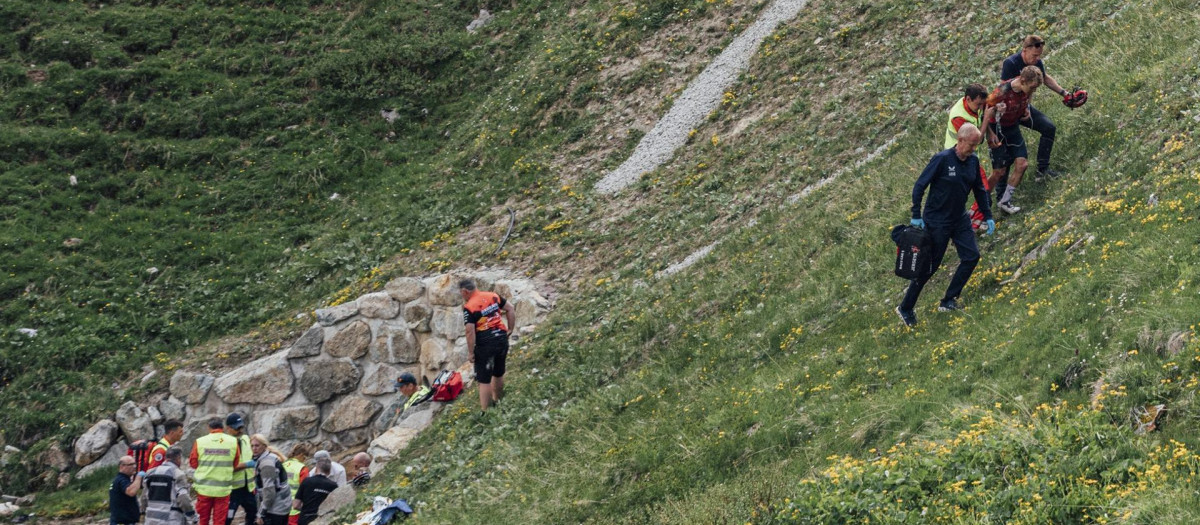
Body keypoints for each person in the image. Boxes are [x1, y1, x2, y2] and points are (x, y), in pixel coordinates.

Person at [897, 124, 995, 327]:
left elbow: (979, 189)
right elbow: (919, 186)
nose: (974, 149)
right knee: (929, 266)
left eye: (977, 145)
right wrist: (916, 214)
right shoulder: (942, 159)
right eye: (971, 144)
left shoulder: (973, 162)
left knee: (971, 256)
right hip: (937, 221)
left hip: (959, 219)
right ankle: (905, 307)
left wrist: (988, 214)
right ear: (960, 140)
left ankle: (949, 300)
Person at [1000, 35, 1074, 180]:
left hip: (1023, 109)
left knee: (1049, 128)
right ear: (1025, 50)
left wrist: (1065, 93)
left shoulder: (1036, 63)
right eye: (1034, 55)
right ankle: (1002, 192)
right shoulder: (1011, 63)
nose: (1037, 59)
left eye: (1039, 56)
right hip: (1007, 113)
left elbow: (1044, 78)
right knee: (1005, 157)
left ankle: (1043, 170)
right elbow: (1002, 89)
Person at [985, 66, 1043, 214]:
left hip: (1012, 128)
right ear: (1022, 80)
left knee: (1022, 164)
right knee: (1000, 170)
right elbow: (983, 112)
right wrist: (989, 132)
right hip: (996, 129)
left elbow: (1027, 98)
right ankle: (982, 207)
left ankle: (1005, 201)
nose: (1033, 91)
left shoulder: (1026, 89)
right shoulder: (1001, 91)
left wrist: (1026, 109)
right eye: (1032, 87)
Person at [460, 279, 517, 412]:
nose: (462, 296)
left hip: (485, 344)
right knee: (498, 372)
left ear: (465, 291)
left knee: (484, 379)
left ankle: (487, 411)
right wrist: (510, 329)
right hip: (502, 339)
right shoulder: (493, 295)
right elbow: (510, 308)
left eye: (461, 294)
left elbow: (469, 331)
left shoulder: (469, 307)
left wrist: (470, 352)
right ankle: (499, 401)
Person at [189, 418, 237, 525]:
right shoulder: (233, 441)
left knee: (202, 520)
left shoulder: (200, 441)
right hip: (223, 491)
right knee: (219, 521)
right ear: (222, 428)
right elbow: (235, 463)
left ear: (209, 428)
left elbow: (193, 463)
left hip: (204, 489)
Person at [144, 447, 196, 525]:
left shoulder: (150, 473)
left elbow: (144, 498)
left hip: (151, 519)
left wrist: (142, 513)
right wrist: (192, 516)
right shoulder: (177, 474)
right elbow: (183, 498)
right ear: (178, 458)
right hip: (170, 519)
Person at [249, 434, 292, 525]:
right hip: (282, 504)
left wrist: (261, 514)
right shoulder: (269, 457)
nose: (254, 448)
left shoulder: (266, 463)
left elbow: (269, 491)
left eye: (257, 445)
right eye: (252, 446)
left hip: (276, 508)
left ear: (264, 446)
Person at [225, 413, 257, 525]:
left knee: (253, 514)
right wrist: (247, 464)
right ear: (228, 428)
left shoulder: (245, 439)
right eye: (236, 428)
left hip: (248, 488)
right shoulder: (225, 444)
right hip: (232, 489)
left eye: (241, 427)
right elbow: (227, 467)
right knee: (227, 518)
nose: (240, 430)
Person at [292, 458, 337, 525]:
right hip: (323, 520)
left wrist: (305, 509)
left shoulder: (307, 481)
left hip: (305, 518)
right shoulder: (334, 485)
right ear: (329, 471)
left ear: (316, 469)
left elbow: (296, 505)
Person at [110, 455, 144, 525]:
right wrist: (139, 477)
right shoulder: (121, 480)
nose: (134, 467)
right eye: (131, 464)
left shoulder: (121, 479)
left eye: (135, 464)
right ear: (122, 466)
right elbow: (131, 492)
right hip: (122, 522)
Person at [281, 445, 310, 525]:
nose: (304, 461)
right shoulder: (302, 469)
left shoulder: (283, 465)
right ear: (301, 455)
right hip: (295, 508)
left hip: (280, 507)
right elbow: (305, 489)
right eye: (304, 458)